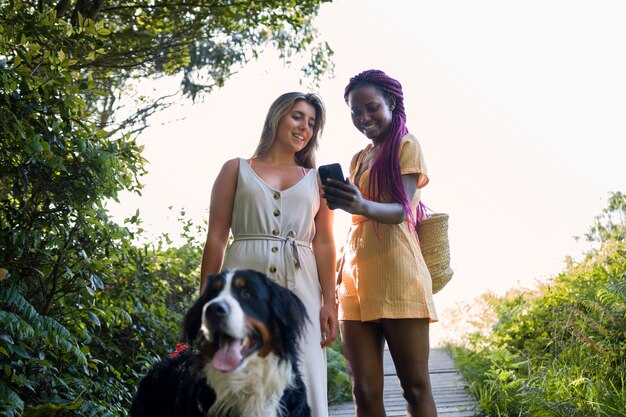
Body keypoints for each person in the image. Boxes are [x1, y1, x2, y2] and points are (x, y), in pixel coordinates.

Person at [200, 91, 338, 417]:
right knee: (239, 371)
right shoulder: (236, 169)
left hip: (301, 287)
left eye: (312, 123)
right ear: (277, 117)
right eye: (297, 116)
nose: (304, 127)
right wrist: (207, 295)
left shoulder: (318, 180)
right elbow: (217, 237)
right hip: (243, 290)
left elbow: (325, 243)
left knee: (304, 372)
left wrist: (329, 300)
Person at [321, 70, 438, 417]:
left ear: (391, 102)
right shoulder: (359, 158)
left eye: (371, 108)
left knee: (414, 387)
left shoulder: (406, 144)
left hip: (399, 276)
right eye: (355, 112)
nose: (363, 118)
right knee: (364, 390)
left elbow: (402, 208)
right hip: (355, 281)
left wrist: (360, 205)